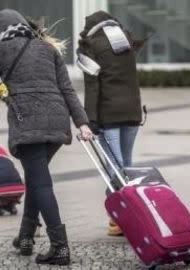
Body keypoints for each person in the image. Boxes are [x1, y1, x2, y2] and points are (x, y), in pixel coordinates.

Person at [0, 9, 93, 266]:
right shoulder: (47, 48)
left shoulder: (3, 48)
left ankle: (60, 247)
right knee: (36, 178)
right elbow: (67, 89)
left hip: (29, 124)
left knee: (41, 184)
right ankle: (26, 237)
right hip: (57, 124)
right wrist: (82, 122)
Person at [76, 11, 145, 236]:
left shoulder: (91, 45)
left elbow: (92, 86)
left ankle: (123, 218)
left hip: (109, 116)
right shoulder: (125, 39)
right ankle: (127, 217)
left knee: (114, 170)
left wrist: (90, 120)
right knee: (125, 165)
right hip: (133, 112)